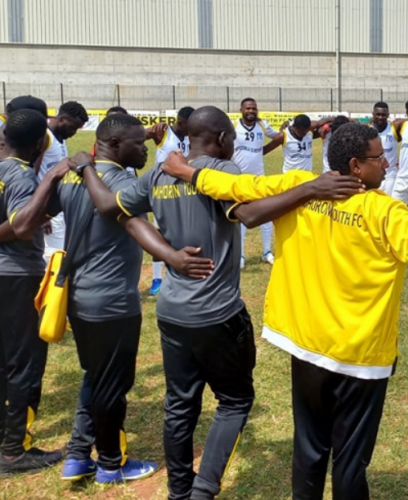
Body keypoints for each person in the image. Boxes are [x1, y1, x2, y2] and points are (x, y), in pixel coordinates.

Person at [161, 121, 408, 500]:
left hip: (305, 346)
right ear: (356, 166)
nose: (387, 162)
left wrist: (186, 172)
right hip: (358, 358)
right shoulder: (384, 213)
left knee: (309, 447)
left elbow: (238, 185)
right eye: (378, 158)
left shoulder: (301, 187)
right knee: (351, 459)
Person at [75, 106, 311, 500]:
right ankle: (202, 492)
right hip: (218, 315)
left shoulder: (162, 172)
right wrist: (308, 190)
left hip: (171, 313)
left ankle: (179, 492)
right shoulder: (223, 172)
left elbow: (115, 210)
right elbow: (251, 216)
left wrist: (167, 254)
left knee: (180, 406)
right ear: (221, 138)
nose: (234, 145)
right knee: (236, 400)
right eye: (232, 139)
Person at [42, 114, 206, 484]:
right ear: (114, 145)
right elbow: (139, 224)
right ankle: (111, 464)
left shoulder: (73, 175)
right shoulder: (119, 184)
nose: (144, 147)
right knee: (112, 387)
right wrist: (173, 255)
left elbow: (49, 210)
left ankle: (79, 454)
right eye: (138, 142)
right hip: (112, 301)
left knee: (96, 377)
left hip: (81, 298)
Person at [0, 110, 65, 476]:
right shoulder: (20, 174)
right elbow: (22, 226)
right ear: (41, 143)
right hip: (16, 276)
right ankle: (13, 452)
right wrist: (51, 178)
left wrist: (46, 204)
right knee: (24, 364)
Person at [260, 113, 332, 264]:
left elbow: (324, 122)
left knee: (308, 215)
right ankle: (283, 249)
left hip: (307, 181)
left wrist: (328, 122)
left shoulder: (309, 132)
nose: (305, 134)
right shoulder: (283, 136)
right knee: (288, 217)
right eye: (302, 131)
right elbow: (265, 150)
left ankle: (306, 248)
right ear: (295, 127)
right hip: (290, 182)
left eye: (307, 130)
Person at [145, 106, 194, 294]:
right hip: (163, 191)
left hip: (183, 190)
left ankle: (177, 275)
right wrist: (151, 130)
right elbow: (139, 137)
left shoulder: (190, 137)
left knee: (182, 232)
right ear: (181, 123)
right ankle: (157, 279)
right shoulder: (164, 133)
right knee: (160, 235)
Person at [232, 98, 281, 269]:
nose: (251, 111)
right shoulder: (233, 126)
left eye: (254, 108)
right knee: (241, 217)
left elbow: (280, 137)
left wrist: (264, 150)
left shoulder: (262, 125)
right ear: (241, 110)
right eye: (248, 108)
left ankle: (267, 251)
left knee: (266, 215)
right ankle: (241, 254)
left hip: (259, 178)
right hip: (240, 179)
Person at [37, 101, 88, 261]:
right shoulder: (45, 138)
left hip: (57, 205)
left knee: (63, 249)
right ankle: (47, 286)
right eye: (73, 127)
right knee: (53, 254)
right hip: (45, 205)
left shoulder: (61, 138)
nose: (74, 133)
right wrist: (39, 212)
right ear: (62, 119)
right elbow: (33, 172)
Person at [369, 102, 399, 195]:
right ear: (373, 114)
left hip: (390, 176)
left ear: (388, 115)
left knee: (387, 205)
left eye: (383, 115)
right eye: (377, 114)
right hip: (372, 176)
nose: (380, 117)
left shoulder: (394, 128)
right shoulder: (367, 129)